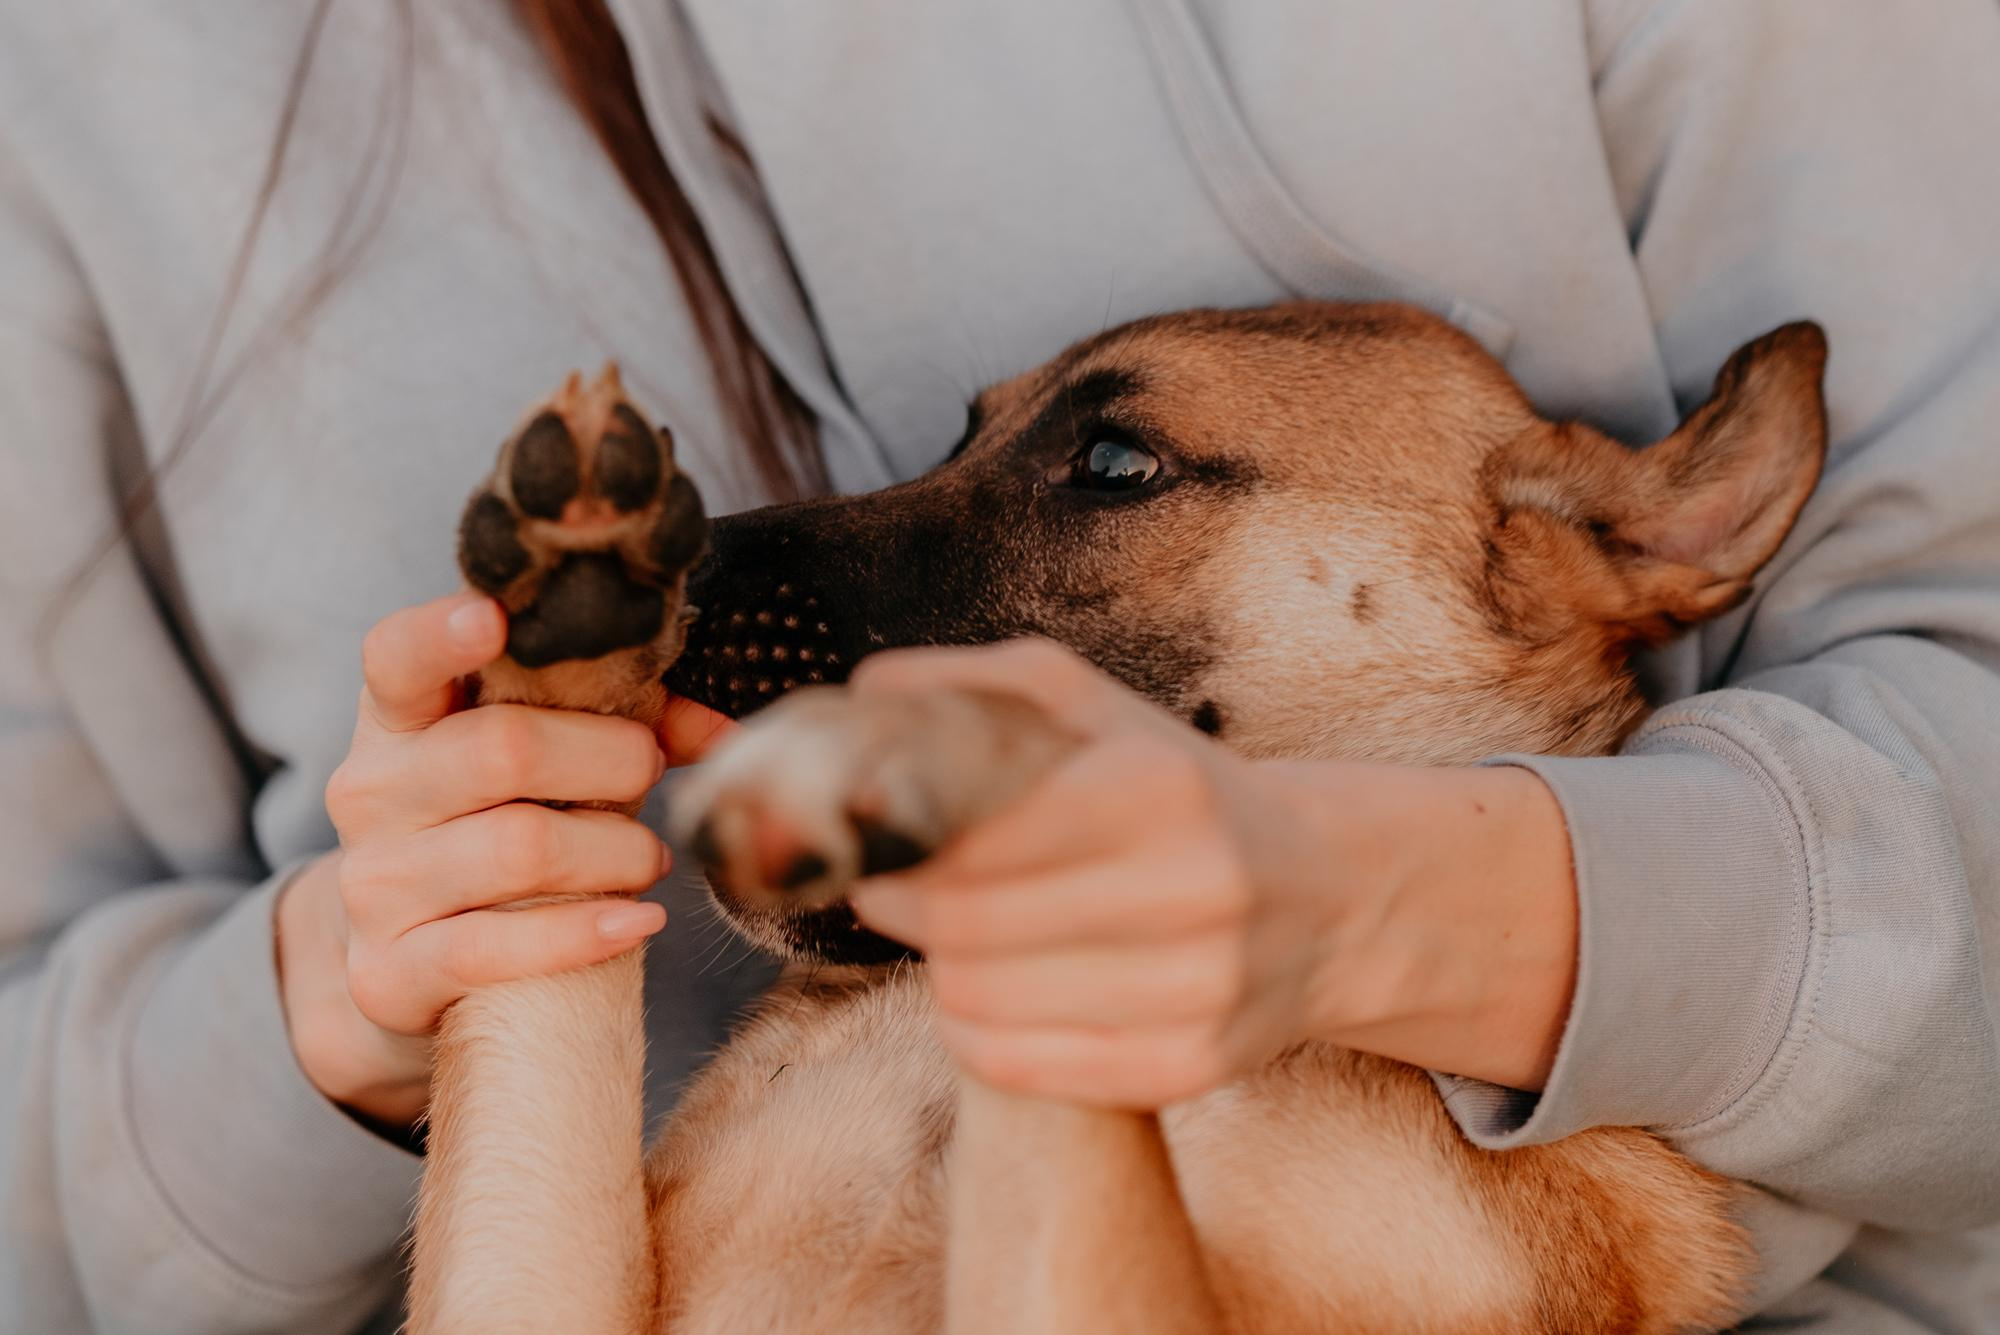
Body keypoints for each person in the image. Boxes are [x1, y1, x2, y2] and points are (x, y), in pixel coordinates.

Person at [2, 2, 1995, 1331]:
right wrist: (345, 995)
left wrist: (1318, 902)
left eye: (1113, 472)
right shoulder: (70, 100)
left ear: (1627, 544)